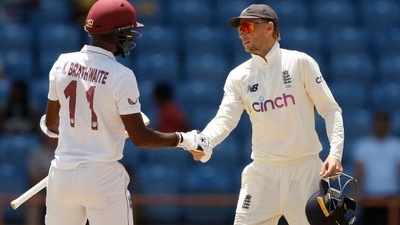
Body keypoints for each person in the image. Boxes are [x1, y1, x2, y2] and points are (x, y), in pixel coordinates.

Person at [40, 0, 210, 224]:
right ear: (114, 33)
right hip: (102, 179)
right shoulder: (121, 75)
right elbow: (140, 138)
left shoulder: (62, 63)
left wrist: (81, 127)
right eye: (127, 31)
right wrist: (183, 139)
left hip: (61, 175)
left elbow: (51, 125)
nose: (130, 37)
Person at [189, 4, 345, 225]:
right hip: (262, 175)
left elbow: (330, 109)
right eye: (239, 28)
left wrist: (335, 154)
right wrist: (206, 141)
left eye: (247, 26)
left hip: (305, 172)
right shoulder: (238, 76)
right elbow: (225, 118)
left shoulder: (299, 62)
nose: (242, 32)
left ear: (269, 27)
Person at [352, 111, 400, 225]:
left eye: (383, 122)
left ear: (388, 124)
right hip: (369, 197)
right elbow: (359, 172)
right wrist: (356, 193)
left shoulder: (397, 145)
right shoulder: (363, 146)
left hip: (392, 196)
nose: (381, 125)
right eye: (378, 122)